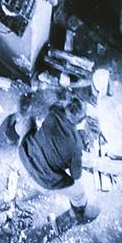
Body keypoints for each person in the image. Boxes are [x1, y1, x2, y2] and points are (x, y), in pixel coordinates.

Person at [10, 93, 101, 221]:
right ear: (81, 121)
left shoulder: (55, 112)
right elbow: (76, 175)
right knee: (79, 192)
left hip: (23, 155)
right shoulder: (76, 146)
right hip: (41, 180)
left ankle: (12, 130)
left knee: (29, 121)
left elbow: (59, 105)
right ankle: (79, 214)